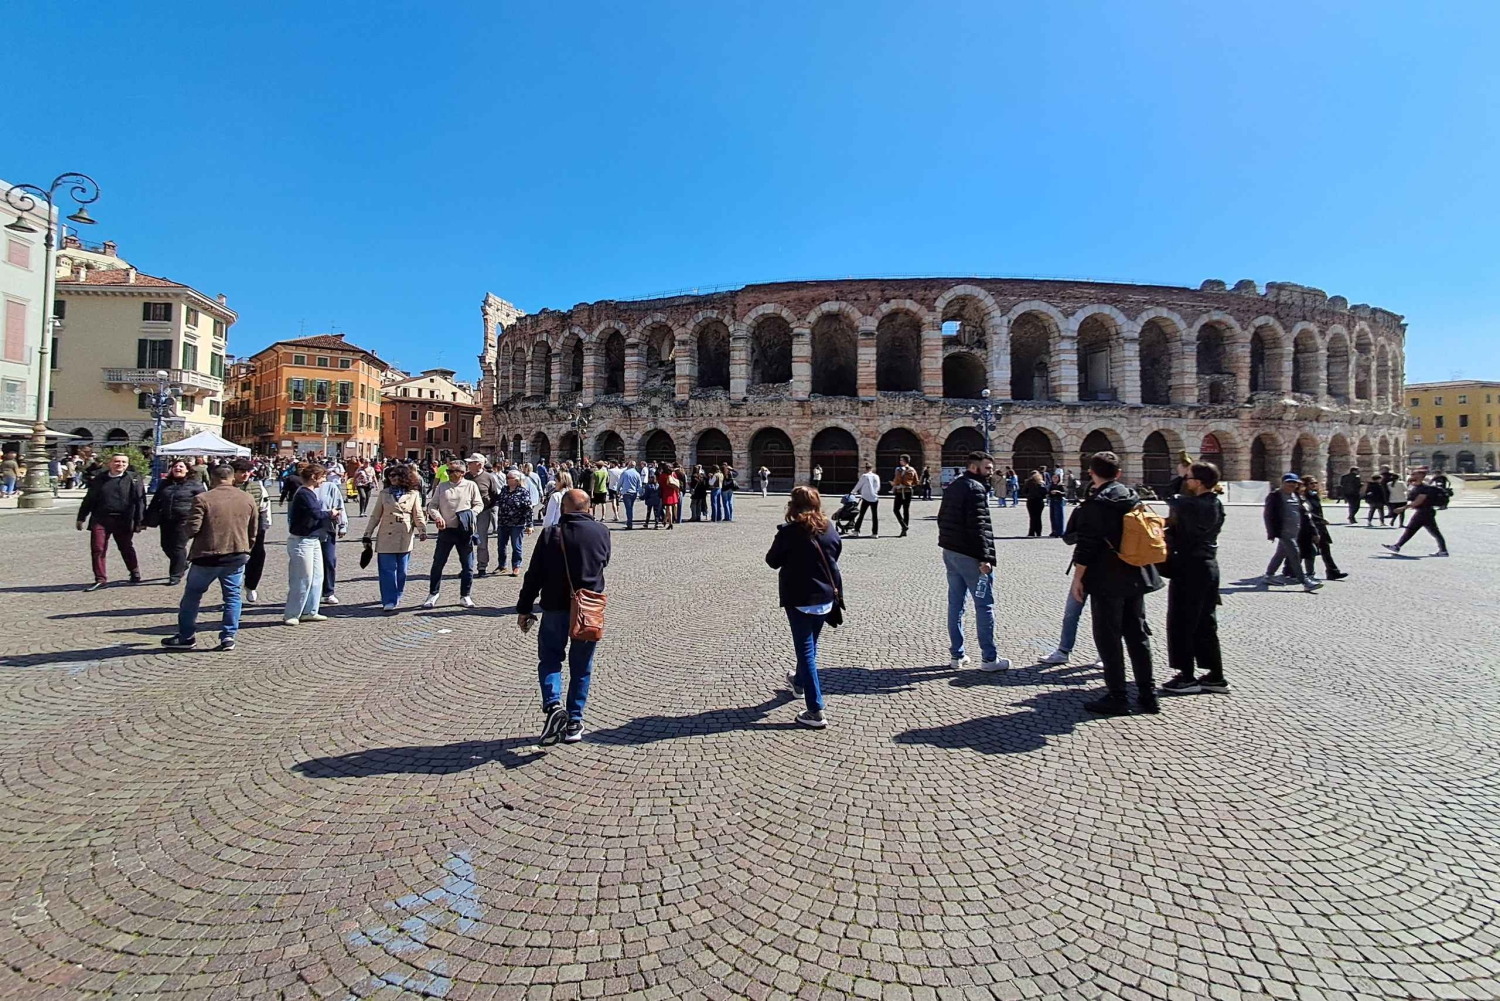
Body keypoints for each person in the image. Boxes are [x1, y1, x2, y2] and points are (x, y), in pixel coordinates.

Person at [1069, 450, 1162, 715]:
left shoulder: (1096, 504)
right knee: (1137, 634)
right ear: (1119, 473)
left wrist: (1078, 579)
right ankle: (1148, 694)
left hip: (1106, 577)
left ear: (1091, 473)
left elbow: (1085, 547)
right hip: (1136, 572)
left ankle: (1117, 696)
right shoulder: (1132, 496)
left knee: (1108, 637)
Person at [517, 488, 612, 746]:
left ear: (564, 508)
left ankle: (553, 706)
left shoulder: (551, 534)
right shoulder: (602, 531)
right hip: (588, 609)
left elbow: (534, 575)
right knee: (581, 666)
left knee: (550, 659)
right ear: (588, 508)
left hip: (555, 607)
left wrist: (524, 607)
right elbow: (604, 562)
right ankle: (574, 722)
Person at [160, 464, 259, 651]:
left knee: (192, 596)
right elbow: (253, 529)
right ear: (232, 478)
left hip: (207, 555)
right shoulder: (247, 498)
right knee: (232, 597)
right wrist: (247, 548)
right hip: (236, 554)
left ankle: (186, 636)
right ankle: (228, 636)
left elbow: (193, 528)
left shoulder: (203, 498)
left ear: (212, 479)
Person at [766, 486, 843, 728]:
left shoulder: (790, 532)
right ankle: (799, 682)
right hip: (825, 597)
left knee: (806, 651)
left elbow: (772, 561)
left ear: (793, 506)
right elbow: (836, 551)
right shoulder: (829, 528)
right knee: (809, 646)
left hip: (800, 599)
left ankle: (815, 710)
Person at [1159, 461, 1228, 695]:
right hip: (1208, 567)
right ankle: (1216, 676)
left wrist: (1179, 477)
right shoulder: (1215, 503)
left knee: (1182, 622)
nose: (1185, 481)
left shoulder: (1191, 504)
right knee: (1206, 623)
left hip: (1189, 568)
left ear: (1198, 482)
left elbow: (1168, 495)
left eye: (1189, 478)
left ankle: (1186, 676)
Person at [937, 451, 1010, 672]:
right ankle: (989, 659)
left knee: (956, 605)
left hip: (951, 552)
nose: (990, 472)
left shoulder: (954, 486)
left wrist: (948, 543)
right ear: (973, 467)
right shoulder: (976, 489)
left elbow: (942, 518)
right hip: (971, 556)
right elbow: (979, 526)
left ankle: (957, 655)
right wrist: (985, 558)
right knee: (984, 605)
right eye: (987, 468)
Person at [1039, 479, 1103, 668]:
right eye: (1091, 490)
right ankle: (1063, 651)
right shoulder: (1081, 510)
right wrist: (1084, 533)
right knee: (1071, 613)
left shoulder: (1110, 512)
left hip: (1105, 571)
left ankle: (1104, 655)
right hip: (1083, 570)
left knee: (1102, 616)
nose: (1094, 494)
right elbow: (1068, 537)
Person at [76, 453, 147, 591]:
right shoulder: (100, 478)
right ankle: (100, 579)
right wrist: (81, 517)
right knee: (98, 548)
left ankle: (134, 571)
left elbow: (140, 501)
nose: (120, 464)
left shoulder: (133, 479)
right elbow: (89, 498)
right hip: (101, 519)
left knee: (126, 547)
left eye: (123, 462)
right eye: (117, 461)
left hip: (123, 520)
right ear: (110, 463)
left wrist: (140, 521)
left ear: (127, 465)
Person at [362, 464, 428, 612]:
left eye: (395, 475)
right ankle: (389, 599)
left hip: (404, 534)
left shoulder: (413, 494)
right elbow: (375, 516)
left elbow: (418, 514)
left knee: (402, 571)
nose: (392, 478)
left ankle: (398, 593)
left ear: (403, 477)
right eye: (390, 476)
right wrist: (368, 534)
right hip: (386, 535)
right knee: (387, 570)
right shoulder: (384, 494)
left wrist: (422, 530)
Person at [424, 456, 484, 609]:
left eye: (452, 471)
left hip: (464, 531)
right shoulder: (442, 487)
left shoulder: (470, 486)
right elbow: (432, 506)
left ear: (461, 473)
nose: (449, 473)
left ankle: (465, 595)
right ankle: (433, 593)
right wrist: (437, 517)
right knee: (438, 563)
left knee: (468, 565)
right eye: (448, 471)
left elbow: (479, 504)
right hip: (446, 530)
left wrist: (470, 514)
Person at [144, 459, 205, 585]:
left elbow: (203, 502)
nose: (178, 468)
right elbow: (155, 502)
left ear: (187, 470)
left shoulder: (195, 484)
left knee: (178, 546)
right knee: (166, 546)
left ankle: (175, 575)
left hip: (184, 520)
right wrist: (147, 518)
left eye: (181, 466)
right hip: (166, 519)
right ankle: (182, 564)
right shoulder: (165, 484)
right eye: (175, 466)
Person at [284, 463, 331, 625]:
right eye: (322, 477)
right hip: (301, 540)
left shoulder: (310, 493)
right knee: (302, 577)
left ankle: (310, 610)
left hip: (313, 539)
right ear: (313, 477)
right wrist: (331, 513)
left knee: (317, 577)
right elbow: (315, 513)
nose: (324, 480)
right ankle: (292, 613)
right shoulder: (304, 493)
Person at [1262, 473, 1322, 591]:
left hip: (1296, 531)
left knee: (1280, 554)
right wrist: (1271, 533)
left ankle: (1269, 575)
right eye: (1289, 482)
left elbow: (1305, 514)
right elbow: (1268, 515)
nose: (1292, 485)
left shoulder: (1296, 496)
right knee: (1295, 555)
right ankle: (1305, 582)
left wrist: (1314, 531)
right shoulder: (1275, 496)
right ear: (1283, 483)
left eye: (1294, 483)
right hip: (1284, 532)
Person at [231, 458, 271, 605]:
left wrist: (265, 525)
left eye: (248, 471)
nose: (246, 474)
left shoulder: (257, 487)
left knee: (257, 556)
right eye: (242, 471)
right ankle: (233, 589)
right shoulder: (226, 487)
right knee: (234, 558)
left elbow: (265, 506)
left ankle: (251, 586)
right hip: (233, 526)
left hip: (254, 525)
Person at [1291, 476, 1347, 581]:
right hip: (1311, 526)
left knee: (1325, 549)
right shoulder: (1302, 497)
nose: (1314, 485)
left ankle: (1332, 572)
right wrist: (1319, 519)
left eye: (1315, 483)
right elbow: (1307, 512)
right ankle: (1291, 570)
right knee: (1305, 551)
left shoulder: (1314, 495)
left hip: (1320, 526)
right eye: (1311, 483)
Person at [1383, 471, 1449, 557]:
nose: (1411, 476)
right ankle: (1443, 551)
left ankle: (1397, 546)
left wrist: (1403, 508)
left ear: (1421, 476)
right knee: (1431, 532)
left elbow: (1418, 501)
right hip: (1425, 512)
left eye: (1414, 474)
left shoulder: (1424, 488)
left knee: (1412, 530)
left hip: (1424, 512)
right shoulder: (1417, 487)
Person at [465, 455, 503, 578]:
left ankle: (482, 566)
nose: (468, 465)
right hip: (466, 513)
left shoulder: (488, 477)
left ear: (479, 464)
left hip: (483, 512)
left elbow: (494, 494)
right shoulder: (465, 477)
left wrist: (489, 507)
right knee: (466, 540)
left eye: (471, 463)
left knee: (481, 539)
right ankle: (467, 566)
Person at [494, 468, 534, 576]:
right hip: (503, 522)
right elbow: (498, 501)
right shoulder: (504, 489)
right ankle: (502, 565)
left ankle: (516, 566)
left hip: (517, 524)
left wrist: (530, 524)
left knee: (516, 546)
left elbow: (528, 509)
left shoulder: (523, 492)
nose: (507, 479)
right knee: (501, 546)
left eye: (509, 478)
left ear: (516, 480)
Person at [892, 454, 918, 536]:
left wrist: (896, 485)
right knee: (906, 510)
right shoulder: (912, 470)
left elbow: (897, 480)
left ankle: (904, 526)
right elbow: (916, 481)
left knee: (896, 510)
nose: (900, 461)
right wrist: (909, 485)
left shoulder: (898, 470)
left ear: (905, 461)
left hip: (900, 491)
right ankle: (904, 529)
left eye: (901, 460)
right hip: (908, 491)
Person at [853, 462, 881, 537]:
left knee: (861, 514)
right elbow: (878, 487)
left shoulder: (864, 476)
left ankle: (856, 530)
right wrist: (875, 492)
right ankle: (875, 533)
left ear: (865, 469)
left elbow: (859, 485)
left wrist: (853, 492)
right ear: (872, 468)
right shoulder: (876, 476)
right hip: (874, 498)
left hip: (866, 498)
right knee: (874, 515)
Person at [1021, 471, 1047, 537]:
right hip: (1038, 501)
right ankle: (1038, 532)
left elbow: (1024, 492)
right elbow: (1045, 492)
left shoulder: (1028, 482)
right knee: (1038, 517)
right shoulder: (1041, 482)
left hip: (1031, 500)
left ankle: (1032, 532)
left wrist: (1029, 495)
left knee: (1033, 517)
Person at [619, 461, 643, 528]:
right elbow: (640, 485)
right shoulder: (637, 474)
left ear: (629, 465)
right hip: (634, 493)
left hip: (626, 493)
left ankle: (629, 523)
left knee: (628, 508)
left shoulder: (625, 473)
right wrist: (640, 493)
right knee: (630, 507)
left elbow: (620, 482)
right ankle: (630, 521)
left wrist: (617, 490)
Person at [657, 462, 679, 529]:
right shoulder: (673, 474)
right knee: (668, 508)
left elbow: (660, 483)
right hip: (673, 492)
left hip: (666, 493)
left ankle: (670, 523)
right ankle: (665, 520)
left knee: (669, 508)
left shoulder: (662, 475)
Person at [1047, 471, 1067, 537]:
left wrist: (1058, 492)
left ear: (1058, 478)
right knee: (1052, 517)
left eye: (1056, 477)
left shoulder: (1060, 485)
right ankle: (1054, 531)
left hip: (1058, 501)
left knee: (1059, 517)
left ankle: (1060, 532)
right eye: (1053, 477)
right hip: (1052, 501)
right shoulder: (1051, 485)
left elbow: (1065, 493)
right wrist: (1050, 493)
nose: (1054, 479)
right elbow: (1048, 493)